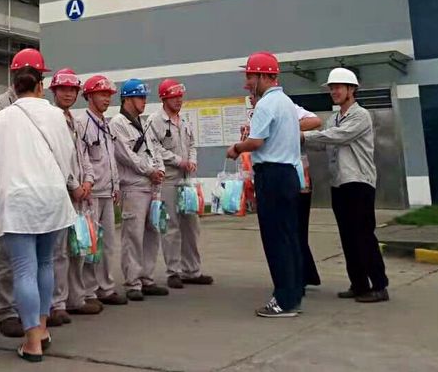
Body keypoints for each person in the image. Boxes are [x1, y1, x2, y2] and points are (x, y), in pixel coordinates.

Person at [0, 62, 76, 363]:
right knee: (45, 264)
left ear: (14, 88)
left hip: (19, 200)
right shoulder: (56, 115)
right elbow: (68, 154)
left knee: (24, 270)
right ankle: (43, 329)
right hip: (52, 197)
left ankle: (32, 341)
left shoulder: (3, 117)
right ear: (40, 87)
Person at [227, 52, 304, 318]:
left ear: (262, 75)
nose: (247, 83)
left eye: (250, 76)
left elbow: (256, 142)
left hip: (272, 175)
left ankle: (283, 300)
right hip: (289, 174)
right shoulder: (287, 103)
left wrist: (237, 148)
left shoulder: (265, 105)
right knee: (289, 237)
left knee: (275, 239)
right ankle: (294, 293)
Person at [303, 68, 389, 303]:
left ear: (352, 89)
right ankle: (359, 284)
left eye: (338, 87)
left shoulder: (360, 116)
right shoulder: (333, 119)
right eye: (332, 88)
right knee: (347, 236)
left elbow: (338, 136)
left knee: (363, 235)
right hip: (339, 183)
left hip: (359, 182)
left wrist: (303, 136)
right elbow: (324, 142)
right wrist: (295, 141)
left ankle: (379, 285)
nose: (334, 91)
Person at [0, 48, 45, 339]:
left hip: (36, 190)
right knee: (7, 255)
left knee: (34, 256)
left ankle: (29, 311)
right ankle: (7, 310)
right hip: (10, 188)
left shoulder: (43, 107)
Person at [242, 94, 322, 289]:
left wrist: (286, 127)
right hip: (269, 176)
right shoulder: (257, 114)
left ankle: (298, 278)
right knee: (283, 231)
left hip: (296, 175)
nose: (251, 99)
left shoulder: (285, 107)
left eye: (253, 94)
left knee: (295, 229)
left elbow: (315, 121)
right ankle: (302, 275)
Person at [148, 79, 212, 290]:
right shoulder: (155, 121)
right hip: (168, 179)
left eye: (180, 96)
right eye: (174, 97)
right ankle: (173, 271)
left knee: (191, 225)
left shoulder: (183, 120)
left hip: (186, 179)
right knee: (171, 226)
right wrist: (178, 161)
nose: (178, 100)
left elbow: (192, 144)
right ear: (164, 98)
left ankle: (192, 270)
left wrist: (192, 160)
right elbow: (155, 149)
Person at [47, 68, 98, 324]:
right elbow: (57, 158)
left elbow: (83, 155)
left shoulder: (76, 122)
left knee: (79, 247)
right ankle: (57, 303)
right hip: (62, 193)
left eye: (72, 90)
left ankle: (76, 298)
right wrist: (74, 185)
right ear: (54, 91)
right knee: (59, 251)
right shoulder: (51, 119)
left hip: (80, 194)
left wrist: (88, 180)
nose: (68, 94)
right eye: (63, 89)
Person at [111, 79, 167, 302]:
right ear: (127, 99)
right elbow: (126, 155)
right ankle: (133, 281)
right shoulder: (118, 123)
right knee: (133, 235)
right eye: (140, 97)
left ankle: (147, 277)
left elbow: (155, 149)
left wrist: (160, 169)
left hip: (151, 186)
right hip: (133, 187)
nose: (144, 101)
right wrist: (149, 171)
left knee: (152, 233)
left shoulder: (143, 123)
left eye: (144, 97)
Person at [78, 75, 126, 307]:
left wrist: (116, 185)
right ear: (89, 96)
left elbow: (111, 158)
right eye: (102, 94)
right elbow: (83, 158)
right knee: (91, 243)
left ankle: (106, 287)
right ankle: (89, 290)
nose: (106, 98)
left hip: (107, 191)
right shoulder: (82, 123)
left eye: (108, 95)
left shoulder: (106, 124)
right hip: (92, 193)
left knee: (108, 244)